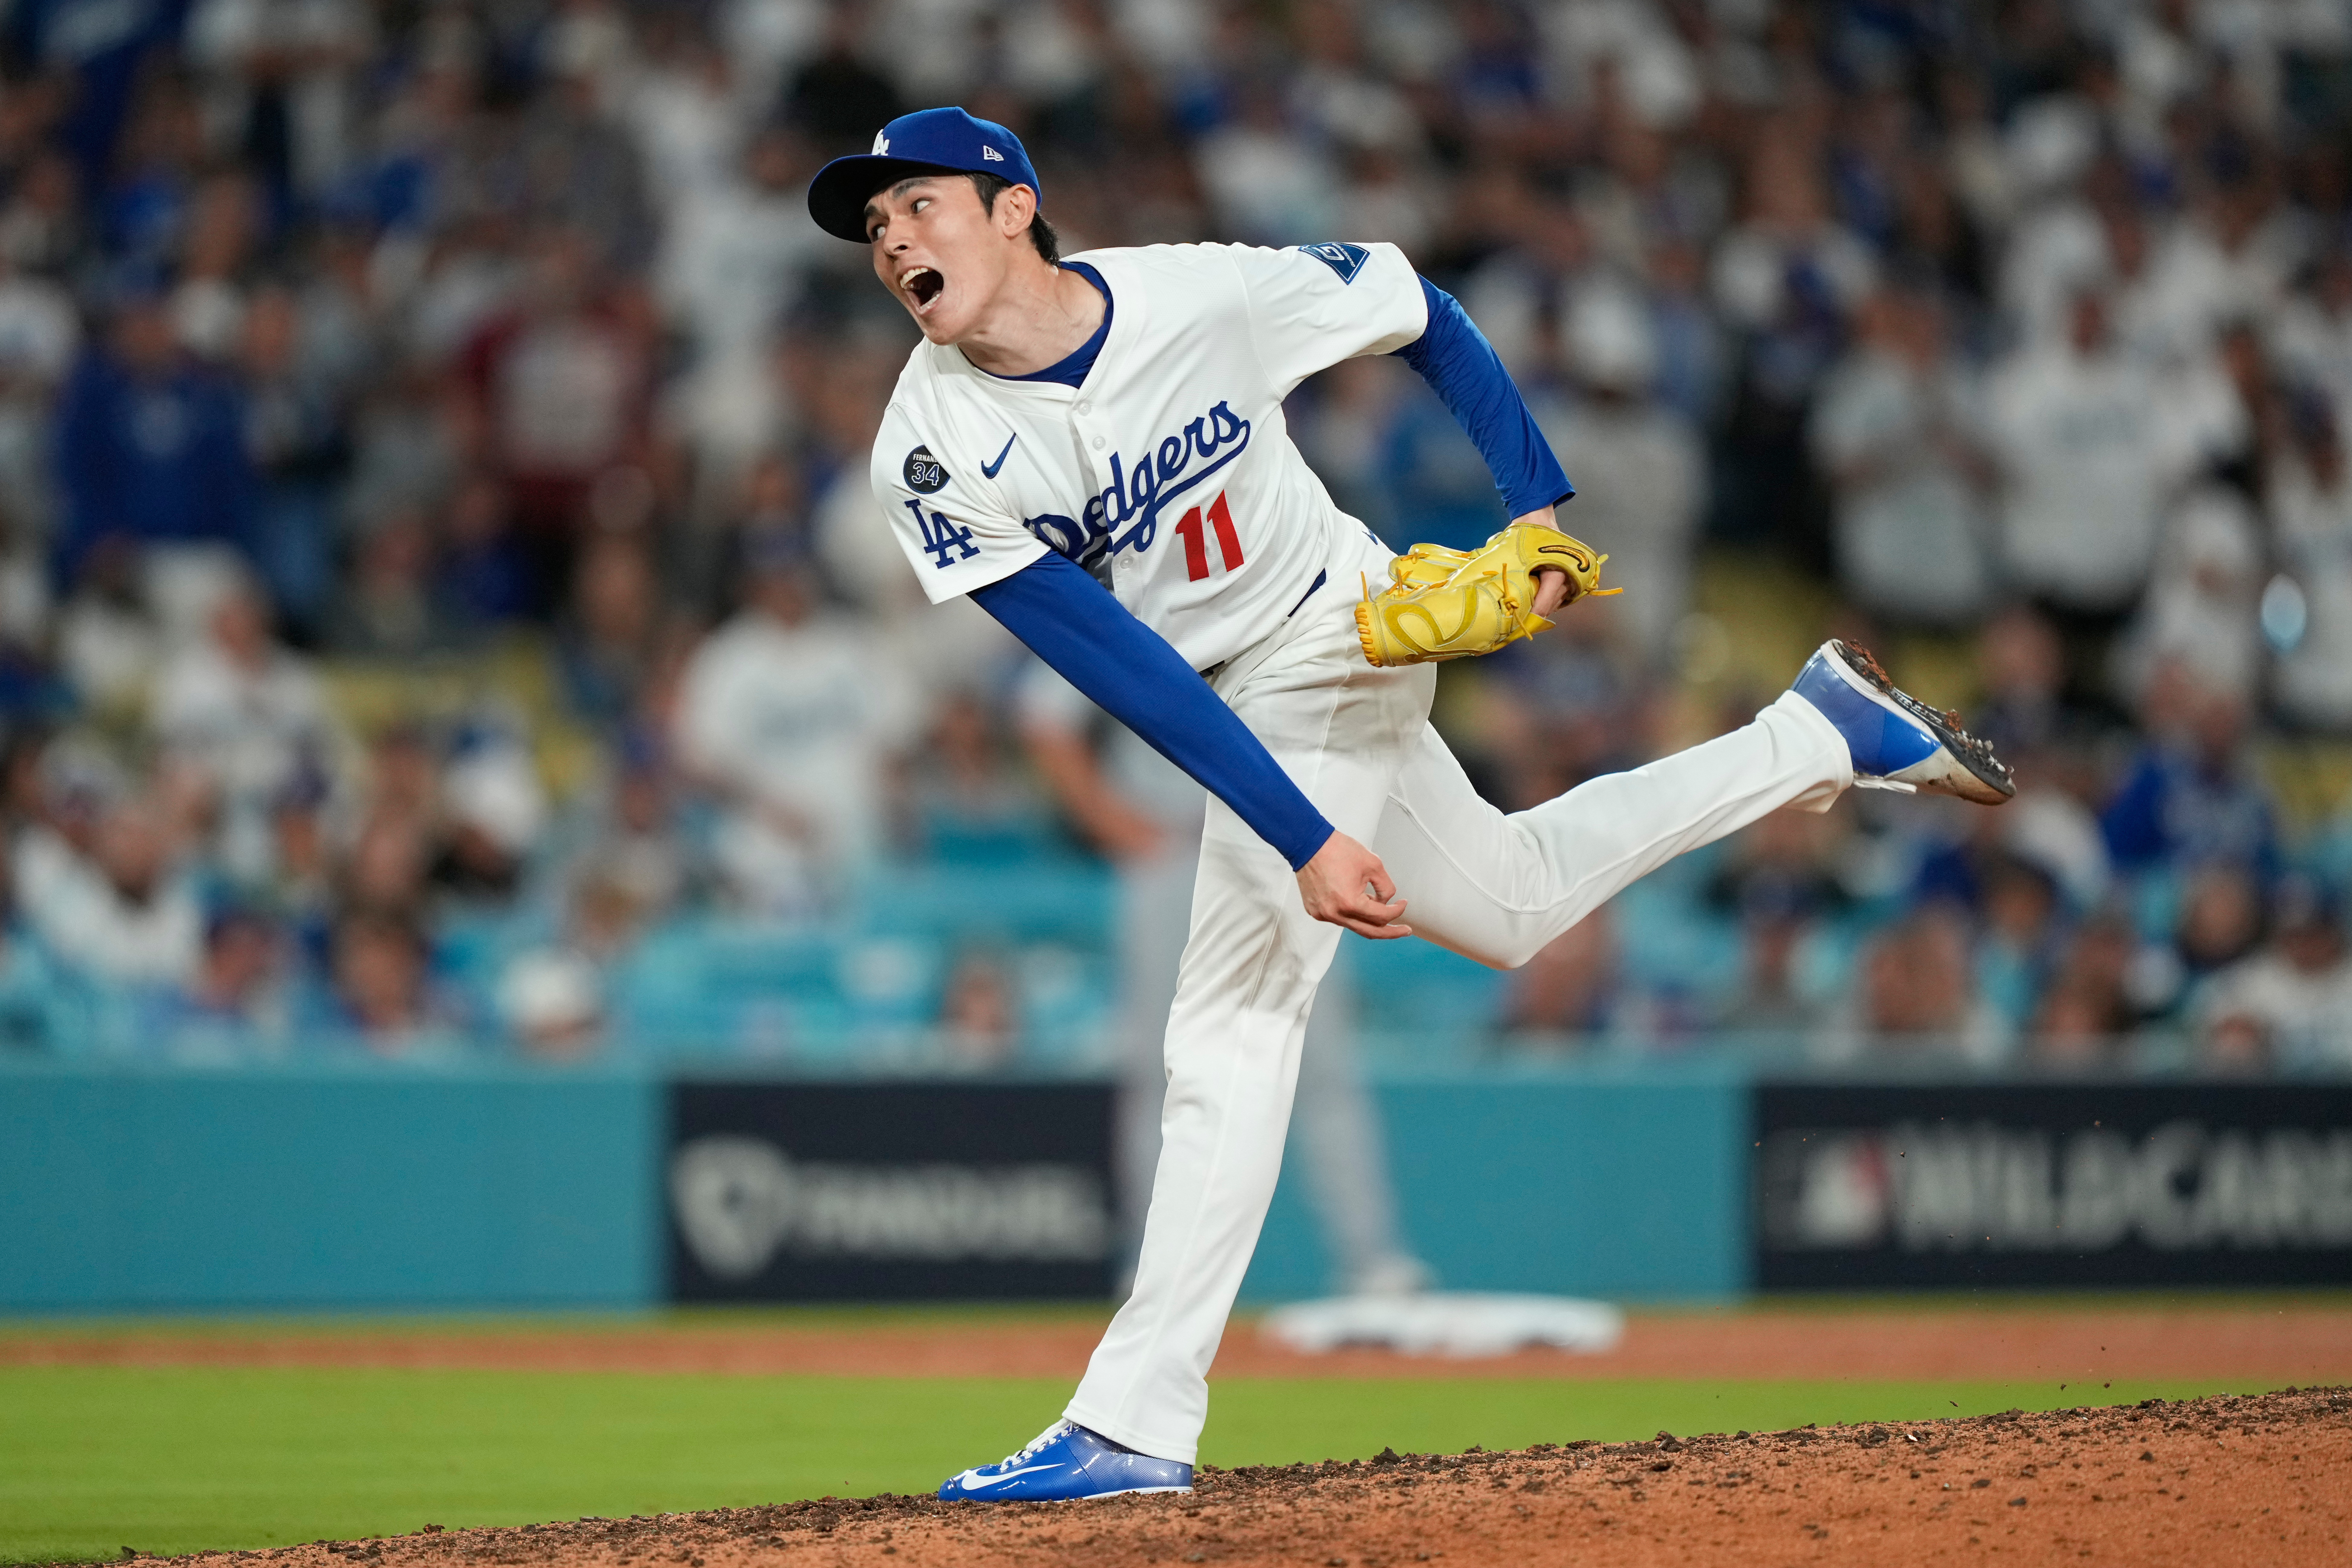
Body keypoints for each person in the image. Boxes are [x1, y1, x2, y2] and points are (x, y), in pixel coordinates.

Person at [807, 108, 2015, 1502]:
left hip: (1339, 627)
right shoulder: (931, 443)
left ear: (1014, 207)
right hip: (1236, 687)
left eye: (920, 205)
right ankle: (1815, 732)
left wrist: (1536, 506)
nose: (894, 238)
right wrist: (1302, 828)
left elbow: (1414, 301)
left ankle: (1134, 1417)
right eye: (876, 226)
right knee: (1508, 904)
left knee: (1231, 1023)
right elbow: (1122, 667)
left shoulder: (1195, 292)